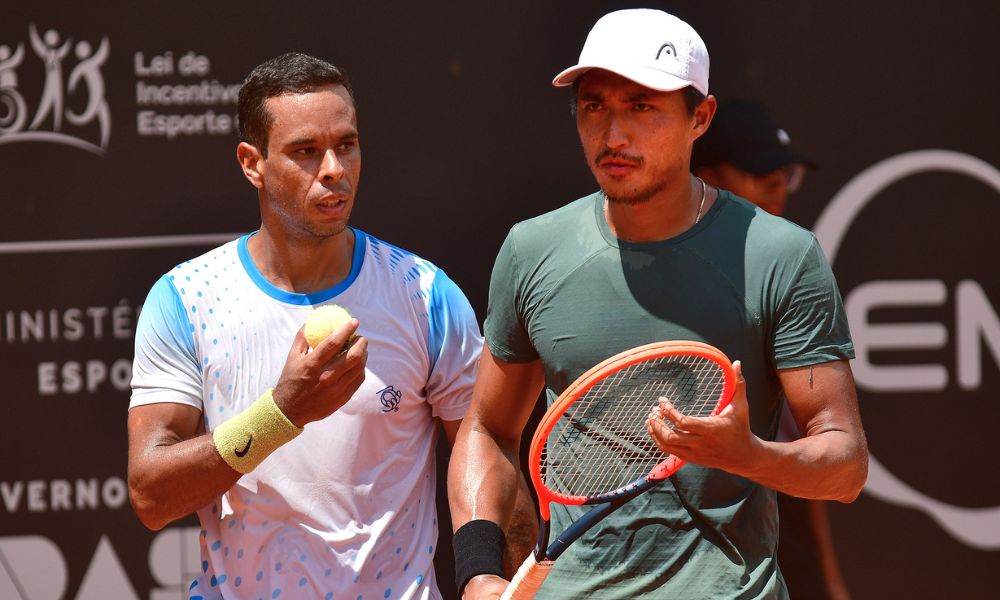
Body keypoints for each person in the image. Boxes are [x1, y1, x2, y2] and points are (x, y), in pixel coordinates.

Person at [448, 9, 868, 600]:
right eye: (595, 106)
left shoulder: (782, 255)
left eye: (642, 106)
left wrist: (748, 455)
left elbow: (845, 467)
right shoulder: (531, 250)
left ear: (700, 117)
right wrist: (478, 571)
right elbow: (488, 430)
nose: (613, 135)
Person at [127, 52, 487, 600]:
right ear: (253, 163)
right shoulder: (185, 299)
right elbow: (151, 495)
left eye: (346, 144)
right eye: (305, 151)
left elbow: (487, 453)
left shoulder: (425, 294)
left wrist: (490, 576)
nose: (334, 169)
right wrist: (283, 414)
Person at [693, 98, 852, 600]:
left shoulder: (791, 273)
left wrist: (828, 583)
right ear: (705, 175)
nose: (778, 185)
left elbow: (821, 465)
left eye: (785, 173)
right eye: (759, 171)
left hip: (779, 536)